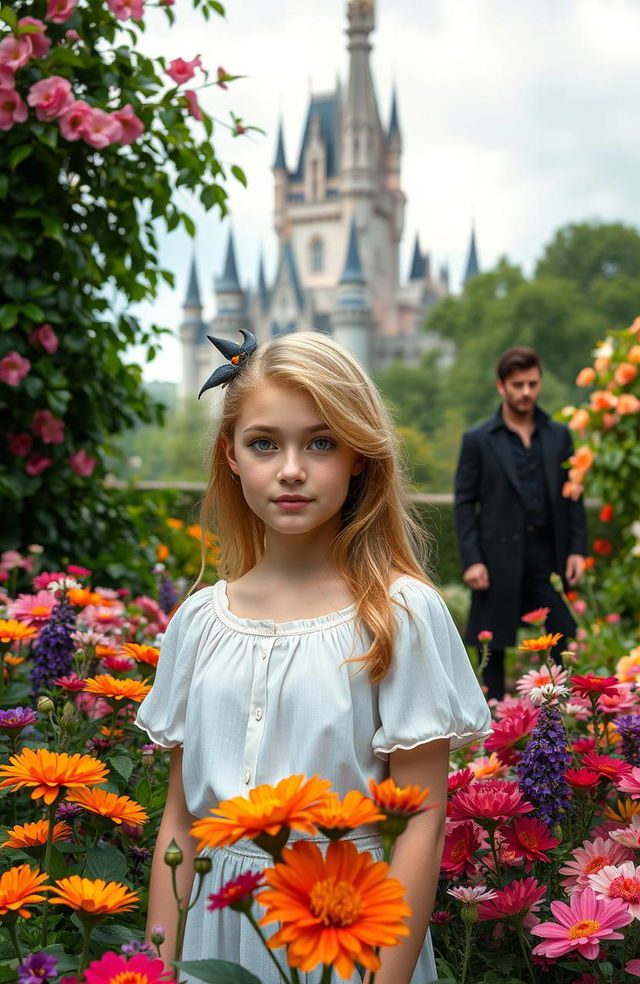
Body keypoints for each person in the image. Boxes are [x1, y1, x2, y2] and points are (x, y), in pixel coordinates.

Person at [136, 331, 491, 984]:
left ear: (359, 455)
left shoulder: (398, 614)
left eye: (321, 442)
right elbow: (181, 822)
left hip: (348, 933)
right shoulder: (198, 622)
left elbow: (420, 823)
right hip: (214, 928)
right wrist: (159, 968)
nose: (292, 468)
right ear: (231, 455)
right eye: (265, 442)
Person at [453, 345, 587, 701]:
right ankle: (494, 721)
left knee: (561, 633)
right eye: (518, 385)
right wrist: (472, 559)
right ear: (502, 387)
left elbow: (573, 495)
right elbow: (465, 504)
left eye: (532, 383)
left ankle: (563, 716)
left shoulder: (558, 435)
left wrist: (577, 550)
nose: (526, 392)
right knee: (492, 646)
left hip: (548, 556)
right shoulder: (478, 440)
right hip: (496, 559)